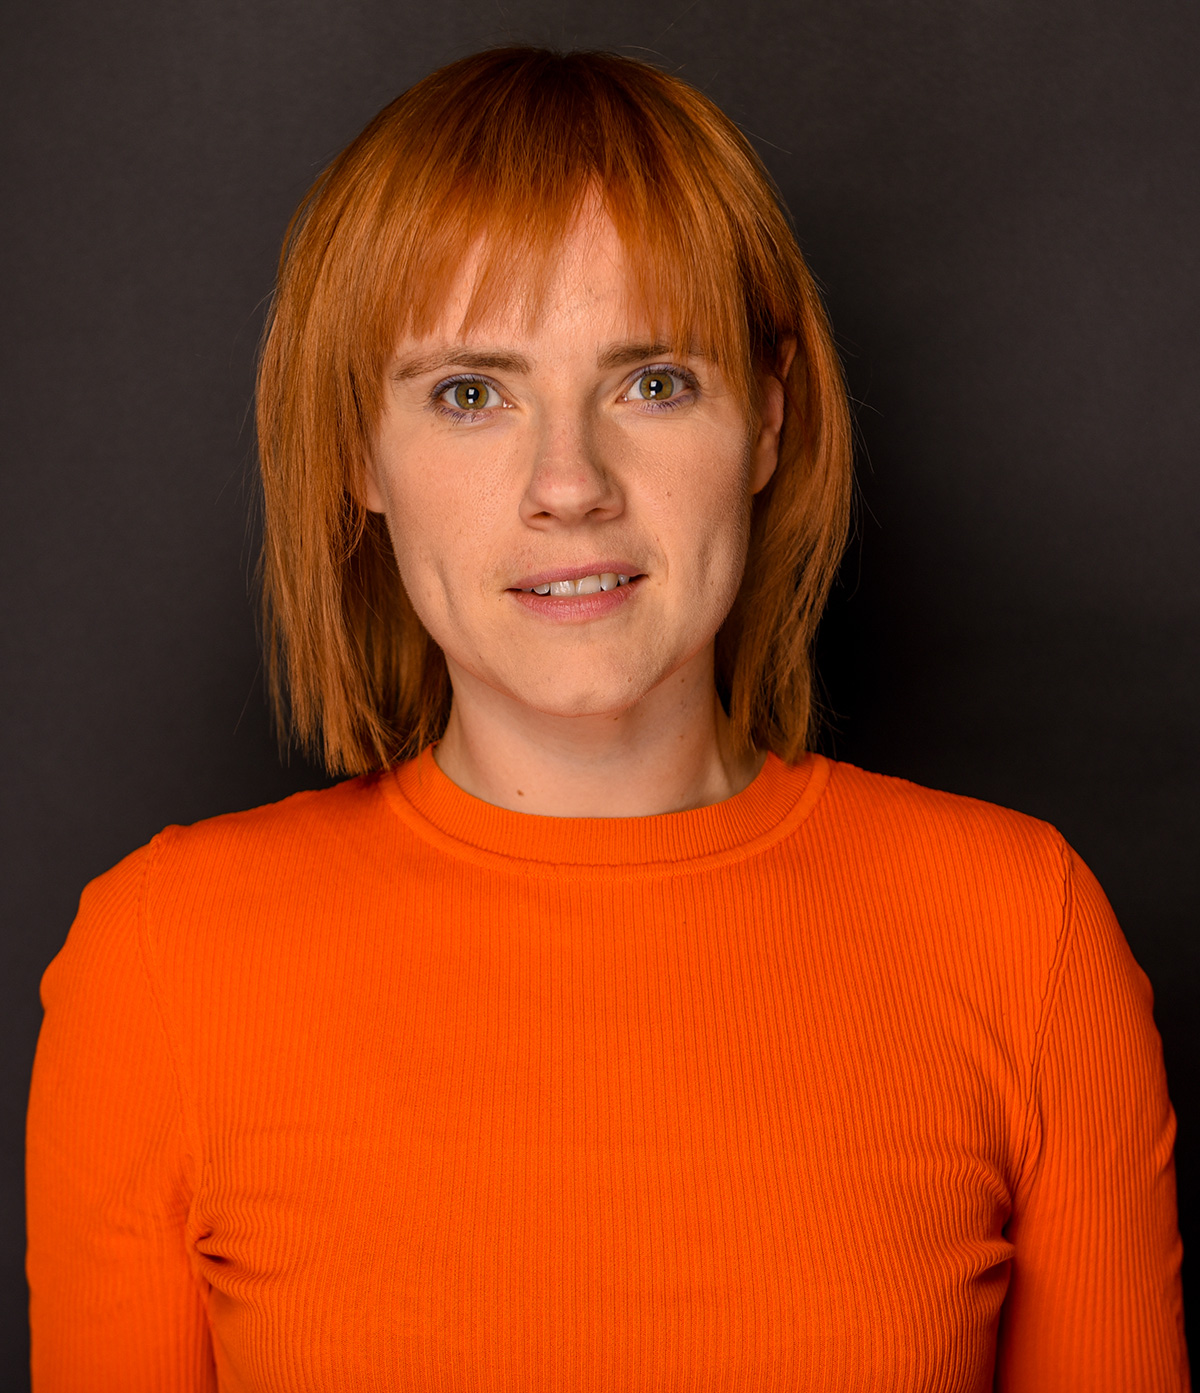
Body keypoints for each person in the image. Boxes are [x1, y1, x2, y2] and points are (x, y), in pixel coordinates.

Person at [25, 45, 1189, 1392]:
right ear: (357, 454)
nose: (570, 484)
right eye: (471, 392)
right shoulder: (159, 965)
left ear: (768, 419)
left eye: (654, 381)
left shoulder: (1025, 938)